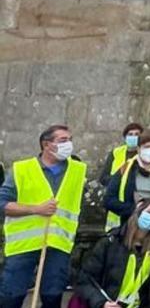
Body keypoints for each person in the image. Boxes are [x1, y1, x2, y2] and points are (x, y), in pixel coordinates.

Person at [0, 124, 87, 308]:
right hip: (23, 245)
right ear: (46, 145)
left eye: (70, 140)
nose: (69, 144)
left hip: (58, 244)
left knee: (52, 295)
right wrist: (36, 209)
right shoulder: (21, 169)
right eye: (63, 140)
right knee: (11, 295)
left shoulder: (78, 171)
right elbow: (3, 204)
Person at [76, 198, 150, 308]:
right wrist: (102, 303)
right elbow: (85, 279)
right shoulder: (110, 242)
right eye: (149, 212)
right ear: (138, 212)